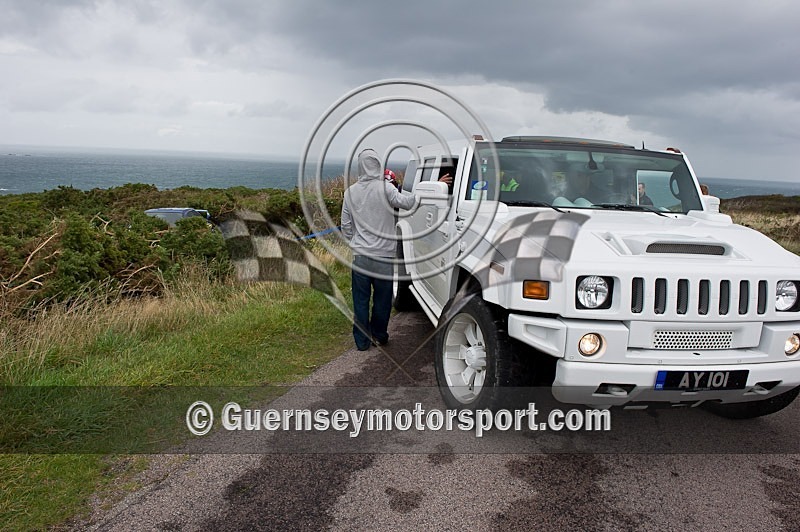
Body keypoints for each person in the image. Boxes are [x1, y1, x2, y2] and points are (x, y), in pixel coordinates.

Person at [341, 149, 417, 351]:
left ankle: (362, 342)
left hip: (361, 257)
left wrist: (356, 243)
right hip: (384, 255)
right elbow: (408, 203)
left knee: (360, 301)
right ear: (378, 164)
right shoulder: (387, 189)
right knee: (382, 301)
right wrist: (429, 191)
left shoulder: (350, 192)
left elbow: (346, 226)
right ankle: (380, 336)